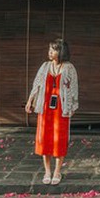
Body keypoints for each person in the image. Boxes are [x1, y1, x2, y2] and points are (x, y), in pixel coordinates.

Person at [26, 39, 79, 185]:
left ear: (61, 52)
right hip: (45, 108)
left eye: (53, 49)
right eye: (49, 49)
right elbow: (36, 84)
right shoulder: (45, 66)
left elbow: (74, 88)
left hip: (61, 109)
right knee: (44, 138)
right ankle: (47, 171)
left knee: (59, 139)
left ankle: (57, 171)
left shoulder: (69, 68)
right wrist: (30, 101)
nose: (50, 52)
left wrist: (73, 106)